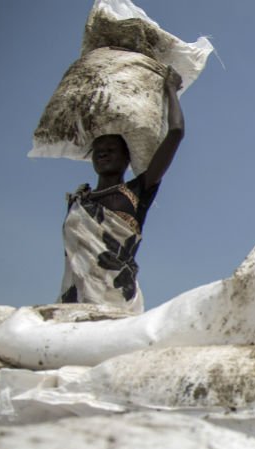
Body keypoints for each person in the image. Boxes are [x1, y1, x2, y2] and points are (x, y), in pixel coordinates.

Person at [58, 66, 185, 313]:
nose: (103, 152)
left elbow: (177, 132)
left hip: (116, 299)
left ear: (128, 157)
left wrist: (170, 89)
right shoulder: (79, 201)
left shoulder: (139, 190)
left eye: (112, 148)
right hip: (75, 301)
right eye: (98, 149)